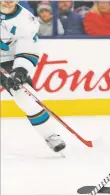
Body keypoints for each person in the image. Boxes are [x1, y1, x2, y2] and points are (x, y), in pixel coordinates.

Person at [0, 0, 66, 153]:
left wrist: (21, 70)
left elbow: (28, 49)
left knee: (25, 97)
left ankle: (51, 135)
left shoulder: (26, 20)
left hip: (11, 60)